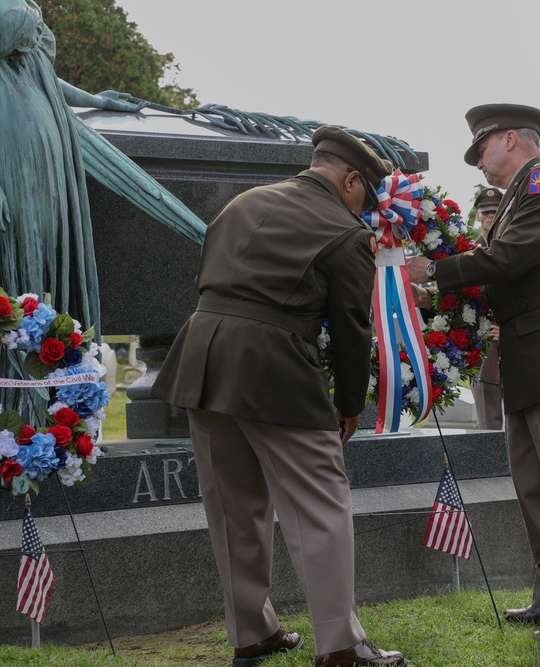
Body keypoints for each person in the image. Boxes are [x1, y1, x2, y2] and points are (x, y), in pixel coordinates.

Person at [151, 126, 407, 667]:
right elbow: (351, 329)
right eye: (366, 192)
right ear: (351, 178)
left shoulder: (243, 203)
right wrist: (350, 405)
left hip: (202, 356)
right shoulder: (345, 231)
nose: (364, 205)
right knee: (320, 504)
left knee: (232, 506)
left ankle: (251, 633)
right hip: (274, 366)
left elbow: (207, 276)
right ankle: (340, 644)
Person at [407, 104, 540, 643]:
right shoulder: (519, 197)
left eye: (480, 150)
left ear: (508, 139)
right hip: (533, 353)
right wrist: (436, 290)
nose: (478, 163)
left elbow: (511, 256)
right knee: (534, 486)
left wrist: (431, 270)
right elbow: (500, 261)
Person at [0, 0, 148, 327]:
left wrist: (98, 101)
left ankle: (49, 364)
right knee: (18, 260)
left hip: (50, 136)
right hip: (7, 135)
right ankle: (12, 366)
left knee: (47, 256)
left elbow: (42, 74)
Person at [471, 186, 504, 430]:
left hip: (518, 339)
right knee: (488, 422)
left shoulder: (519, 247)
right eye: (486, 211)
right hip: (484, 344)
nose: (491, 215)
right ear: (478, 216)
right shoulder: (467, 253)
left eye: (496, 210)